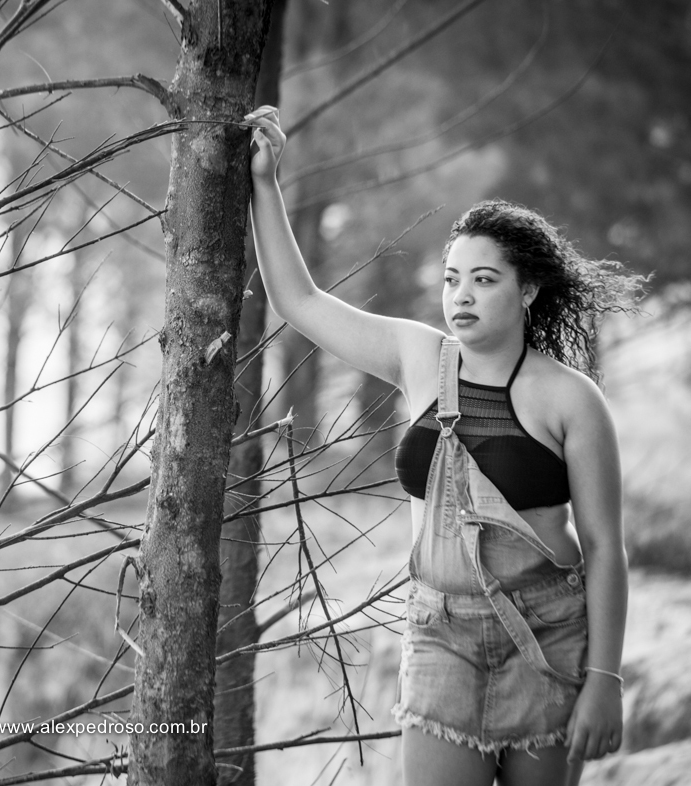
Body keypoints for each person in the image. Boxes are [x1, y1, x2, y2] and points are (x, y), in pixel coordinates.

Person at [244, 105, 642, 786]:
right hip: (438, 636)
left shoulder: (571, 399)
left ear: (528, 290)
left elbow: (605, 548)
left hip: (546, 639)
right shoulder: (416, 356)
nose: (459, 295)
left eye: (482, 280)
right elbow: (299, 302)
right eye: (451, 278)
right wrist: (264, 183)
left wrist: (603, 679)